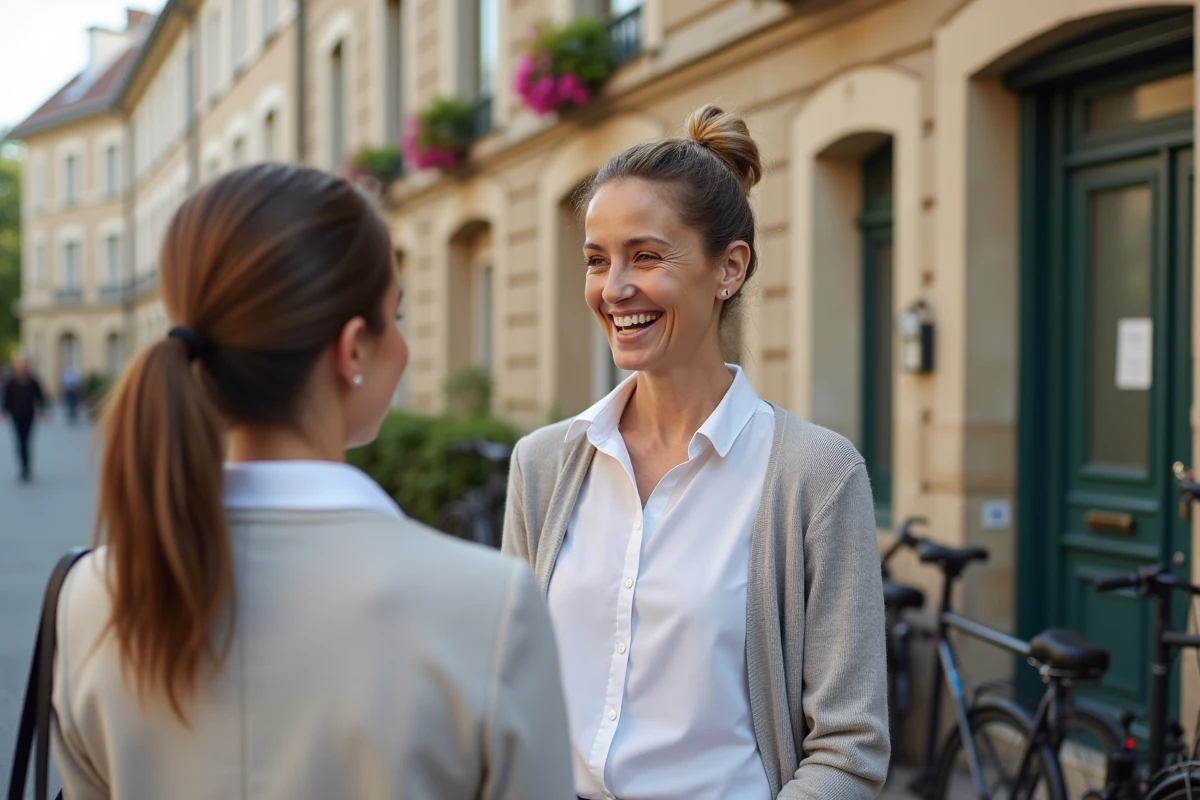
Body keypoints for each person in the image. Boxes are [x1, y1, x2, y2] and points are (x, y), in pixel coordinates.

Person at [51, 164, 574, 800]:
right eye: (397, 314)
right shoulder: (491, 607)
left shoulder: (89, 598)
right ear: (353, 349)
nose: (403, 345)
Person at [502, 105, 889, 800]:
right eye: (597, 260)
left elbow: (849, 749)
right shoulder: (542, 467)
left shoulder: (815, 476)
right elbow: (509, 690)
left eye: (645, 256)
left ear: (728, 269)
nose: (613, 288)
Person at [2, 356, 47, 482]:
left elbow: (40, 397)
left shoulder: (33, 381)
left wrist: (42, 412)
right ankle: (22, 467)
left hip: (29, 415)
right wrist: (5, 411)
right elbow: (7, 398)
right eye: (20, 365)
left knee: (27, 441)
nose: (22, 368)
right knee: (19, 441)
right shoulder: (11, 382)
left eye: (24, 365)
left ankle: (27, 468)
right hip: (16, 415)